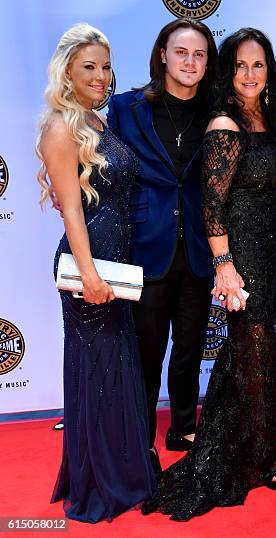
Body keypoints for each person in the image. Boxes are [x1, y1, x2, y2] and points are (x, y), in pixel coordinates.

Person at [141, 27, 276, 521]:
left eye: (257, 65)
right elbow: (212, 204)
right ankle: (257, 454)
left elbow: (272, 187)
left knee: (261, 344)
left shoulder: (269, 120)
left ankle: (261, 444)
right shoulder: (224, 124)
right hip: (243, 254)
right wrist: (225, 266)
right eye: (239, 65)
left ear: (268, 70)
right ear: (226, 72)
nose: (249, 75)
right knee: (252, 345)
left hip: (274, 248)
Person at [36, 23, 155, 522]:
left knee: (119, 367)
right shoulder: (61, 128)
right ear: (67, 70)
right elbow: (71, 212)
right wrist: (88, 273)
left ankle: (125, 473)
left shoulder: (97, 123)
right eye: (89, 67)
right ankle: (99, 482)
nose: (101, 76)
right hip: (91, 267)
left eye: (106, 66)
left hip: (116, 264)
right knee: (98, 371)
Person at [105, 18, 217, 467]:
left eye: (200, 55)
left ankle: (184, 428)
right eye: (182, 53)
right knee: (146, 351)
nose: (190, 62)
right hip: (145, 244)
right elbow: (103, 167)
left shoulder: (216, 112)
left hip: (197, 246)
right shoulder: (126, 108)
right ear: (163, 56)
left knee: (190, 347)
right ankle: (140, 437)